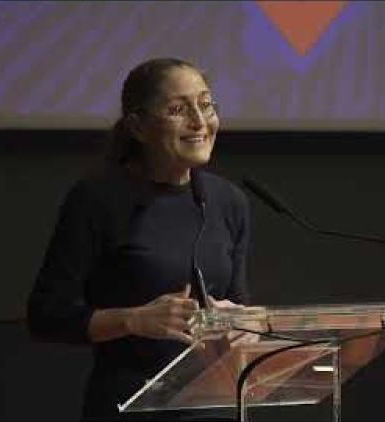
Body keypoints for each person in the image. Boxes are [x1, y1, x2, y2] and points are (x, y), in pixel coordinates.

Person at [27, 58, 251, 421]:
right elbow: (46, 315)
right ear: (138, 127)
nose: (199, 121)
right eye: (178, 110)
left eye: (206, 104)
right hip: (129, 406)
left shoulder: (228, 201)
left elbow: (238, 305)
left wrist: (245, 323)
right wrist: (133, 320)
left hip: (213, 408)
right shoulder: (98, 199)